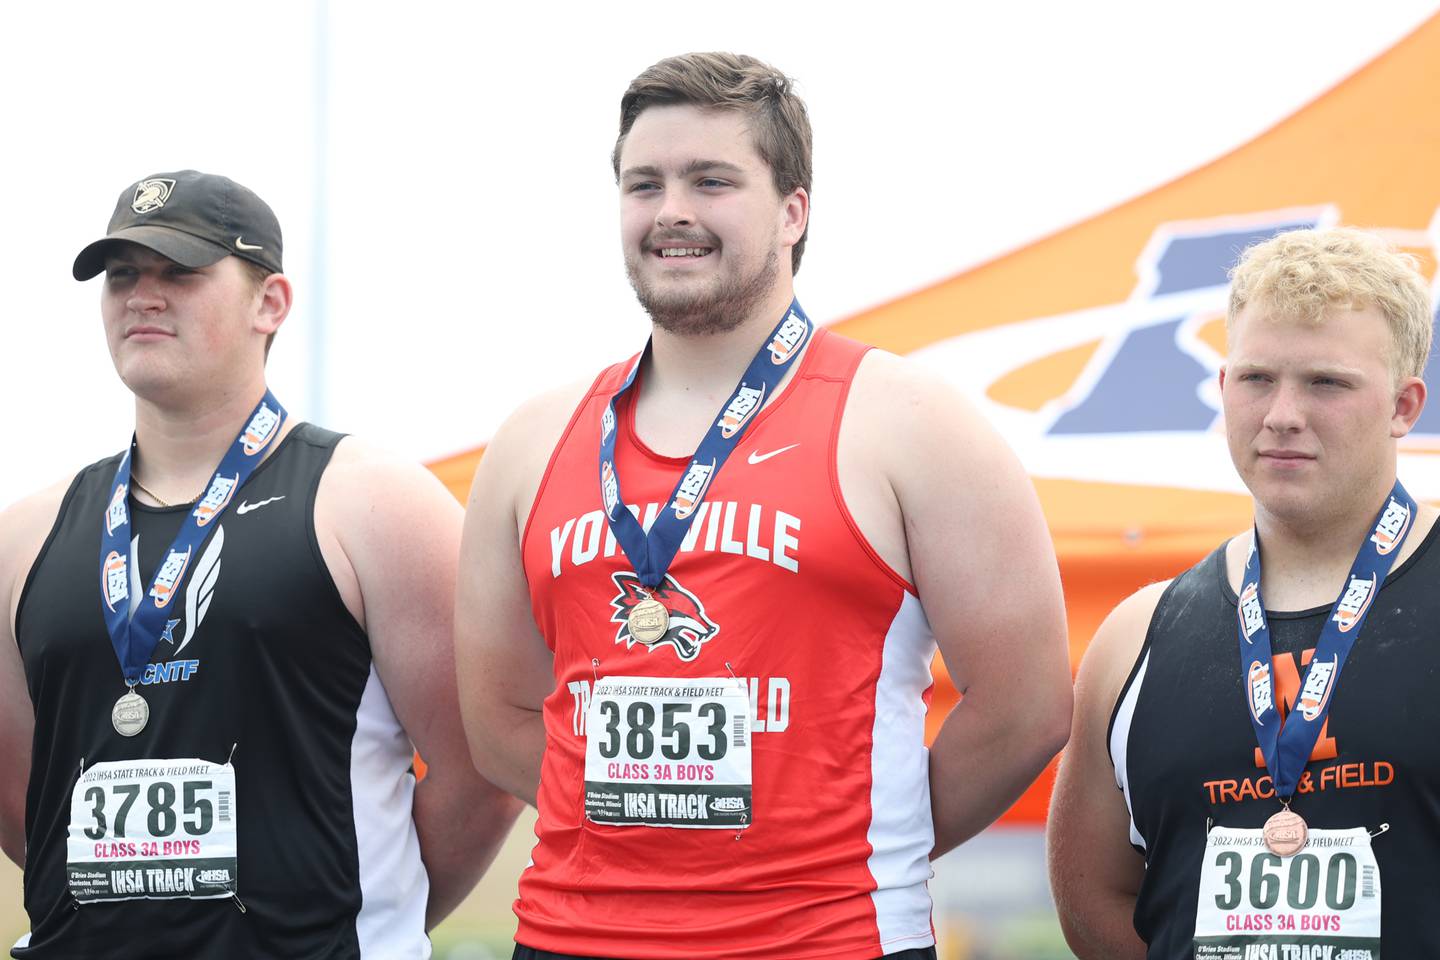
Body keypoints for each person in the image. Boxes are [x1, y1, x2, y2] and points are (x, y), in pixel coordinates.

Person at [455, 52, 1072, 960]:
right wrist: (659, 837)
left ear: (794, 211)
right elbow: (499, 718)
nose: (672, 211)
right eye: (644, 184)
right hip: (573, 934)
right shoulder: (531, 441)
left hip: (828, 938)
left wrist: (846, 841)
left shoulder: (910, 423)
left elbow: (1026, 708)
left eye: (712, 181)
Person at [0, 169, 520, 958]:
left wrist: (361, 928)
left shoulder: (374, 504)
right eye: (121, 275)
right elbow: (24, 798)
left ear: (269, 303)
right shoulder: (27, 535)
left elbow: (481, 772)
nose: (142, 295)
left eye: (180, 271)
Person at [1048, 227, 1438, 958]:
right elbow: (1095, 900)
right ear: (1223, 387)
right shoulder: (1137, 637)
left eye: (1327, 382)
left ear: (1404, 406)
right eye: (1257, 378)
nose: (1283, 413)